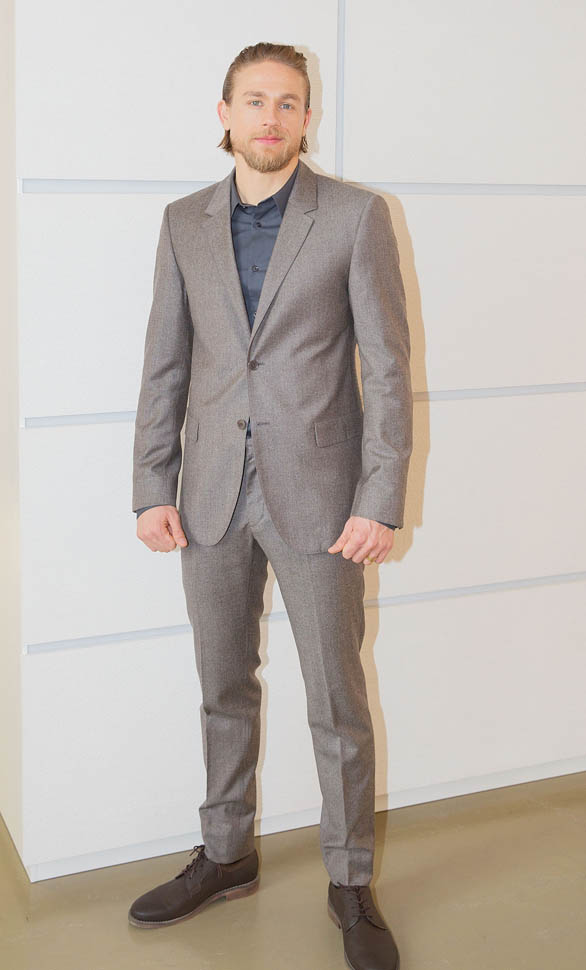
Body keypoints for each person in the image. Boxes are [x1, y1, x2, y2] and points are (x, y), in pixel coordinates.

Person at [128, 41, 412, 970]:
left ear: (306, 117)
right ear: (225, 113)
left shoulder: (356, 217)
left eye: (289, 102)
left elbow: (388, 369)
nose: (271, 117)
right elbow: (165, 364)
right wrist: (151, 484)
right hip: (208, 494)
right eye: (255, 100)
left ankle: (350, 881)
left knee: (336, 698)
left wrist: (379, 498)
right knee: (223, 686)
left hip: (324, 501)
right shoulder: (184, 223)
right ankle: (227, 854)